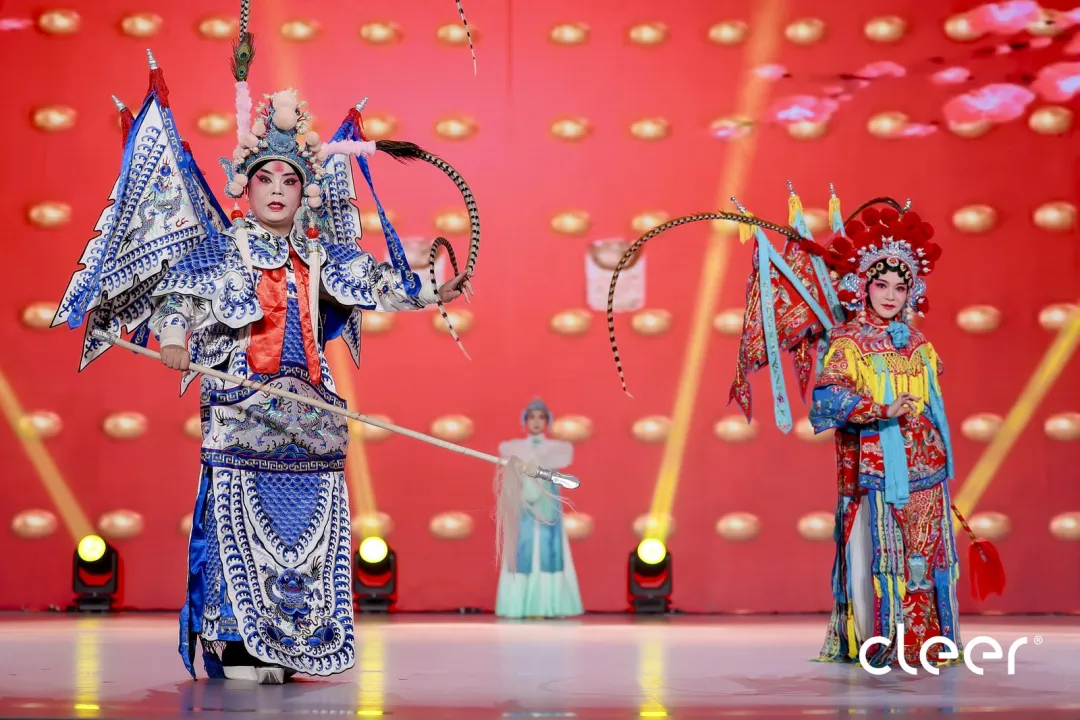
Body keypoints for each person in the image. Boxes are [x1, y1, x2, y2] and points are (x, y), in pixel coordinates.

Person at [52, 39, 479, 683]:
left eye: (290, 181)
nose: (277, 191)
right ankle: (236, 646)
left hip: (309, 417)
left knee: (306, 540)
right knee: (235, 534)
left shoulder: (321, 255)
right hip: (242, 413)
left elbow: (376, 281)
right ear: (245, 186)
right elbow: (179, 299)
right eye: (265, 180)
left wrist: (432, 289)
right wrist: (173, 338)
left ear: (305, 192)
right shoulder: (222, 250)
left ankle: (289, 643)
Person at [603, 186, 1003, 669]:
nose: (890, 296)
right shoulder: (849, 343)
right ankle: (879, 643)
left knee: (925, 561)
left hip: (927, 473)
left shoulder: (918, 343)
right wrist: (880, 407)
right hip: (874, 475)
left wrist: (930, 445)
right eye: (881, 286)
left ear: (911, 291)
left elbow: (931, 407)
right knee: (878, 560)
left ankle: (929, 642)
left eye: (900, 288)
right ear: (863, 287)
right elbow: (825, 403)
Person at [495, 399, 584, 619]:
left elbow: (552, 463)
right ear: (525, 421)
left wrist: (536, 460)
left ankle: (549, 606)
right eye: (532, 417)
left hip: (547, 504)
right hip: (523, 505)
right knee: (522, 549)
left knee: (548, 550)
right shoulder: (513, 447)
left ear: (547, 421)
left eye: (541, 417)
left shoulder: (558, 449)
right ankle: (520, 607)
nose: (536, 422)